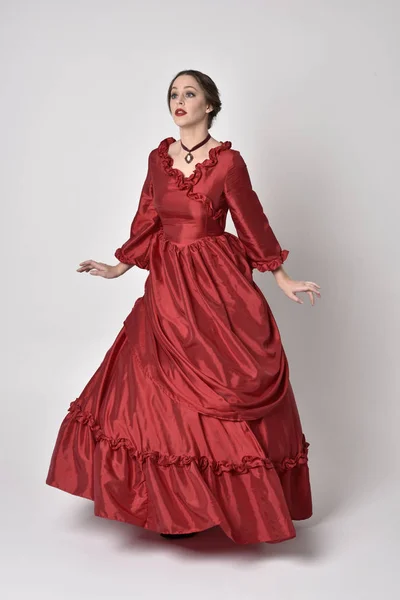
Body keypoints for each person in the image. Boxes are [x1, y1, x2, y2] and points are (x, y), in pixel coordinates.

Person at [46, 69, 320, 545]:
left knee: (224, 382)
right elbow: (147, 221)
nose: (179, 100)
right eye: (174, 93)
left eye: (190, 93)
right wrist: (118, 267)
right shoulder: (158, 159)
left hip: (216, 285)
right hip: (169, 284)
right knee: (158, 390)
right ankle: (179, 504)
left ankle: (228, 502)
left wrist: (282, 276)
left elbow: (251, 221)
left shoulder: (229, 162)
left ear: (209, 105)